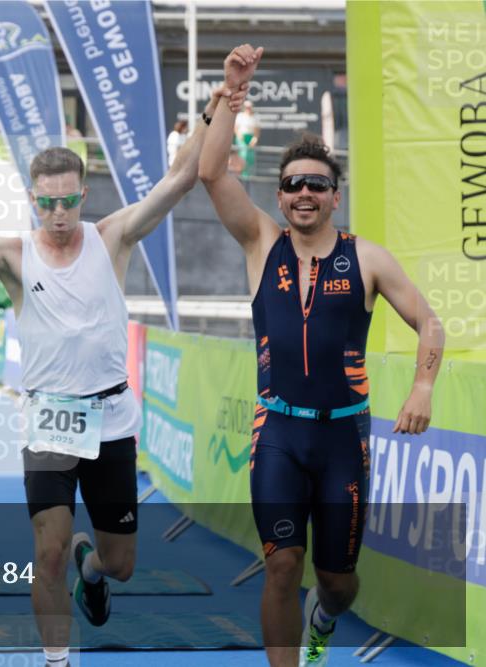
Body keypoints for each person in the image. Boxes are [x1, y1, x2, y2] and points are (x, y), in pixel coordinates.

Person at [0, 84, 247, 667]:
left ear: (83, 194)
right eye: (47, 204)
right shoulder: (14, 254)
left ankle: (90, 568)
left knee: (120, 563)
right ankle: (58, 660)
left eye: (68, 201)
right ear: (31, 199)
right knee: (45, 553)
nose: (59, 214)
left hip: (112, 419)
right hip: (49, 421)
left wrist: (214, 108)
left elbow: (179, 179)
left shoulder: (110, 236)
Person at [198, 44, 445, 667]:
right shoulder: (261, 242)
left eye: (317, 185)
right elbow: (210, 173)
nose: (303, 193)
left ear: (335, 195)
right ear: (279, 196)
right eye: (292, 185)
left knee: (337, 583)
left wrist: (422, 385)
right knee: (281, 566)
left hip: (343, 441)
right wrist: (230, 95)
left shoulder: (368, 258)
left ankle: (326, 617)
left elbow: (429, 322)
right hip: (277, 431)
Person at [234, 100, 261, 178]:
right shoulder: (240, 116)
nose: (248, 109)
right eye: (246, 107)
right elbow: (236, 129)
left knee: (251, 156)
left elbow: (257, 130)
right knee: (243, 155)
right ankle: (242, 175)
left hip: (251, 137)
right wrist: (241, 137)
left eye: (249, 107)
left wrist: (254, 139)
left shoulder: (256, 117)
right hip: (241, 138)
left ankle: (250, 175)